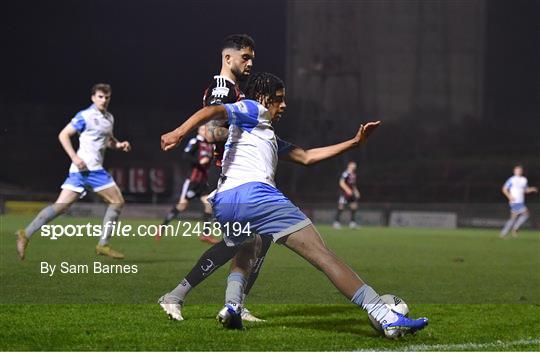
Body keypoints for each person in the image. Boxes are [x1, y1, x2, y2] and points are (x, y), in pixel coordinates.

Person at [160, 72, 428, 338]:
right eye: (279, 99)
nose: (284, 105)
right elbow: (215, 110)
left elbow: (307, 156)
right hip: (257, 196)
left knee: (249, 247)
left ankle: (232, 306)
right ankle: (384, 315)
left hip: (226, 201)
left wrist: (355, 143)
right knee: (322, 254)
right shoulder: (255, 108)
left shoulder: (262, 134)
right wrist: (178, 132)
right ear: (264, 98)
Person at [158, 34, 266, 322]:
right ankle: (175, 296)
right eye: (245, 57)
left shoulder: (234, 91)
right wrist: (246, 133)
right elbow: (208, 131)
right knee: (240, 241)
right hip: (227, 175)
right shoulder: (222, 88)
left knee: (258, 238)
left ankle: (235, 304)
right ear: (228, 58)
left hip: (238, 175)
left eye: (252, 57)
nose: (250, 62)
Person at [16, 83, 130, 260]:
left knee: (60, 207)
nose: (104, 100)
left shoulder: (109, 118)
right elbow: (63, 134)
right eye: (100, 96)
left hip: (83, 171)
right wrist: (74, 157)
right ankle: (103, 245)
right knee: (117, 202)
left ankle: (25, 234)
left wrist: (119, 144)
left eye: (107, 97)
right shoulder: (84, 115)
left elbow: (107, 141)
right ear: (93, 97)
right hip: (88, 169)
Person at [158, 125, 217, 243]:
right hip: (193, 180)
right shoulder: (195, 142)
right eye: (203, 129)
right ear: (199, 131)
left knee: (209, 204)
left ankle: (205, 234)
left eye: (207, 129)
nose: (206, 131)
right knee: (182, 205)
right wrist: (199, 162)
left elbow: (211, 160)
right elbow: (186, 156)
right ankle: (162, 227)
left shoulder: (211, 145)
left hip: (203, 181)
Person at [500, 165, 538, 238]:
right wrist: (509, 196)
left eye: (520, 170)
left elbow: (525, 190)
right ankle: (513, 229)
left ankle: (504, 233)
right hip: (515, 201)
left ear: (522, 171)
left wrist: (532, 189)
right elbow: (504, 189)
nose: (518, 171)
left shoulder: (524, 179)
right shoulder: (511, 179)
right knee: (525, 214)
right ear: (514, 171)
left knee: (514, 218)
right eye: (517, 170)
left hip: (521, 201)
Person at [333, 161, 361, 229]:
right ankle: (336, 222)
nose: (354, 166)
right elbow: (341, 183)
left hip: (351, 193)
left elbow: (353, 185)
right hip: (344, 193)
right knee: (341, 207)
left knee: (354, 206)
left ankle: (352, 223)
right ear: (349, 165)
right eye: (353, 165)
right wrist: (347, 190)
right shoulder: (345, 173)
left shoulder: (353, 174)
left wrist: (356, 191)